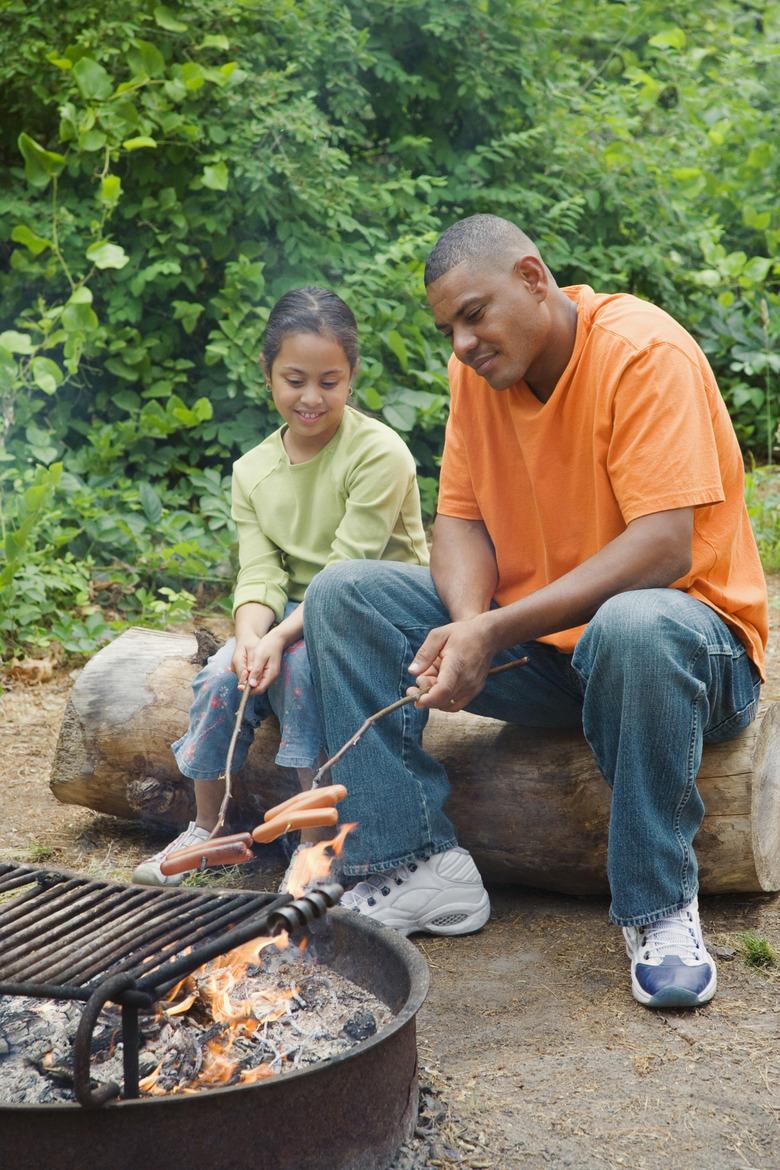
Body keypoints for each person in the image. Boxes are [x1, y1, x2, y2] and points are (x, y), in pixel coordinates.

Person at [302, 215, 768, 1008]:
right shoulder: (477, 381)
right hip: (550, 653)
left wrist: (494, 628)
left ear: (531, 276)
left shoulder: (640, 353)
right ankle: (409, 863)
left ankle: (658, 909)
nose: (462, 343)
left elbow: (664, 549)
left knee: (636, 622)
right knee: (344, 594)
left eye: (474, 314)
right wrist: (465, 623)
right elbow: (459, 521)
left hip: (685, 652)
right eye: (448, 327)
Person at [133, 286, 429, 886]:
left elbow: (347, 567)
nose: (312, 398)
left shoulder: (379, 453)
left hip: (372, 613)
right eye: (295, 380)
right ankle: (208, 829)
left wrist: (279, 642)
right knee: (222, 674)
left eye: (330, 381)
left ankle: (315, 841)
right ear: (268, 375)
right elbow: (260, 570)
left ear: (351, 377)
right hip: (293, 614)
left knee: (299, 671)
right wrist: (248, 637)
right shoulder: (252, 470)